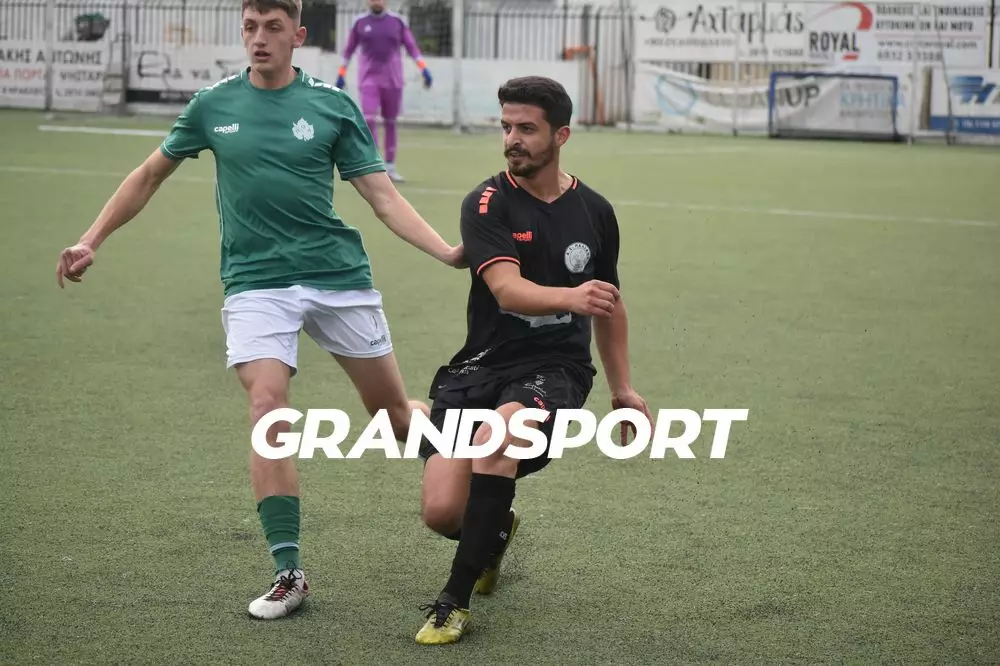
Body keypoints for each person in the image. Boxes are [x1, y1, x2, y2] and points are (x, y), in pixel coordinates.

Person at [55, 0, 464, 622]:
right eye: (250, 27)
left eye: (273, 27)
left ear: (298, 35)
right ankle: (288, 572)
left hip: (336, 277)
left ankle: (478, 485)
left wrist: (447, 251)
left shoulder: (331, 105)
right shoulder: (213, 105)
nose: (259, 38)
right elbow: (148, 175)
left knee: (395, 419)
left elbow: (382, 197)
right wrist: (91, 239)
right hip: (255, 284)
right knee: (267, 405)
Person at [412, 76, 652, 645]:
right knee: (443, 513)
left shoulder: (595, 211)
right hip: (481, 364)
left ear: (561, 135)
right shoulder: (486, 202)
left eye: (526, 128)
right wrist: (574, 297)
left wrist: (622, 388)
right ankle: (494, 530)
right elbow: (507, 290)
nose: (511, 140)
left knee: (498, 439)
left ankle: (453, 602)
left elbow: (609, 304)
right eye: (506, 127)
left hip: (555, 367)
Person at [335, 0, 432, 183]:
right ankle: (374, 165)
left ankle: (391, 167)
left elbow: (412, 48)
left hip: (393, 80)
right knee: (369, 119)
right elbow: (348, 51)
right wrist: (341, 73)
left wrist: (424, 69)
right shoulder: (360, 23)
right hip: (369, 80)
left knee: (391, 122)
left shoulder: (397, 22)